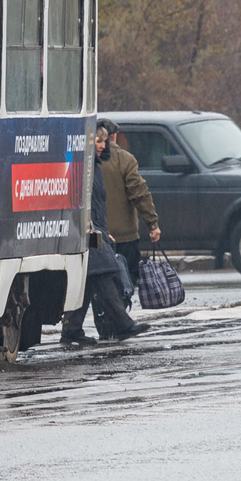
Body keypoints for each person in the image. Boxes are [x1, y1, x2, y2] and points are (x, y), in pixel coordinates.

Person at [61, 138, 150, 346]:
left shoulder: (94, 165)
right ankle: (122, 323)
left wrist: (103, 230)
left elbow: (97, 205)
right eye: (98, 141)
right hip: (86, 231)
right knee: (103, 272)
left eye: (103, 141)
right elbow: (82, 201)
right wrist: (93, 227)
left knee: (89, 279)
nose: (103, 145)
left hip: (94, 230)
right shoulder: (86, 167)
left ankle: (71, 330)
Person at [95, 117, 161, 295]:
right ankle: (119, 317)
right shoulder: (125, 159)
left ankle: (105, 316)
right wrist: (152, 223)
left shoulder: (87, 160)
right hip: (125, 235)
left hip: (97, 234)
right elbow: (139, 193)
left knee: (99, 281)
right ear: (115, 136)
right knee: (126, 280)